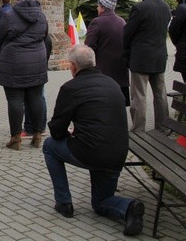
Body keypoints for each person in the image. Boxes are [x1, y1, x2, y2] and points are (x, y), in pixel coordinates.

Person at [43, 44, 145, 236]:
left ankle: (64, 203)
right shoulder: (113, 83)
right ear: (94, 62)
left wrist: (70, 135)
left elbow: (56, 130)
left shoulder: (70, 88)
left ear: (73, 66)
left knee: (49, 146)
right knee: (100, 203)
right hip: (117, 153)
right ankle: (130, 207)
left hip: (90, 151)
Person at [0, 0, 49, 150]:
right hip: (37, 60)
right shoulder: (41, 16)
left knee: (14, 99)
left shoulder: (9, 15)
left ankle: (16, 137)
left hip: (14, 61)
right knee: (36, 98)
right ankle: (38, 134)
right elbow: (45, 35)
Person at [123, 0, 171, 132]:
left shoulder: (140, 8)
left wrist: (126, 51)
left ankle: (139, 128)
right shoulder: (165, 7)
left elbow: (128, 33)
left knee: (139, 95)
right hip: (159, 55)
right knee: (160, 93)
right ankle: (163, 126)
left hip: (142, 57)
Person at [85, 0, 129, 104]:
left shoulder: (97, 22)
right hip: (120, 71)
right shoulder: (122, 22)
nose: (97, 8)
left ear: (103, 7)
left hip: (103, 72)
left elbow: (89, 46)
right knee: (119, 103)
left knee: (103, 105)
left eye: (98, 6)